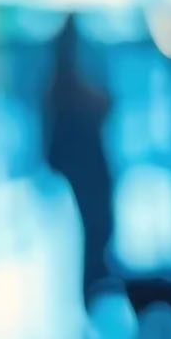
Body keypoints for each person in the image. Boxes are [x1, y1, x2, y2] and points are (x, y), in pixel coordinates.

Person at [43, 18, 116, 305]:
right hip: (90, 177)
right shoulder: (75, 91)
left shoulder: (58, 89)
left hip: (84, 178)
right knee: (96, 233)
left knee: (92, 235)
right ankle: (94, 289)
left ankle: (93, 288)